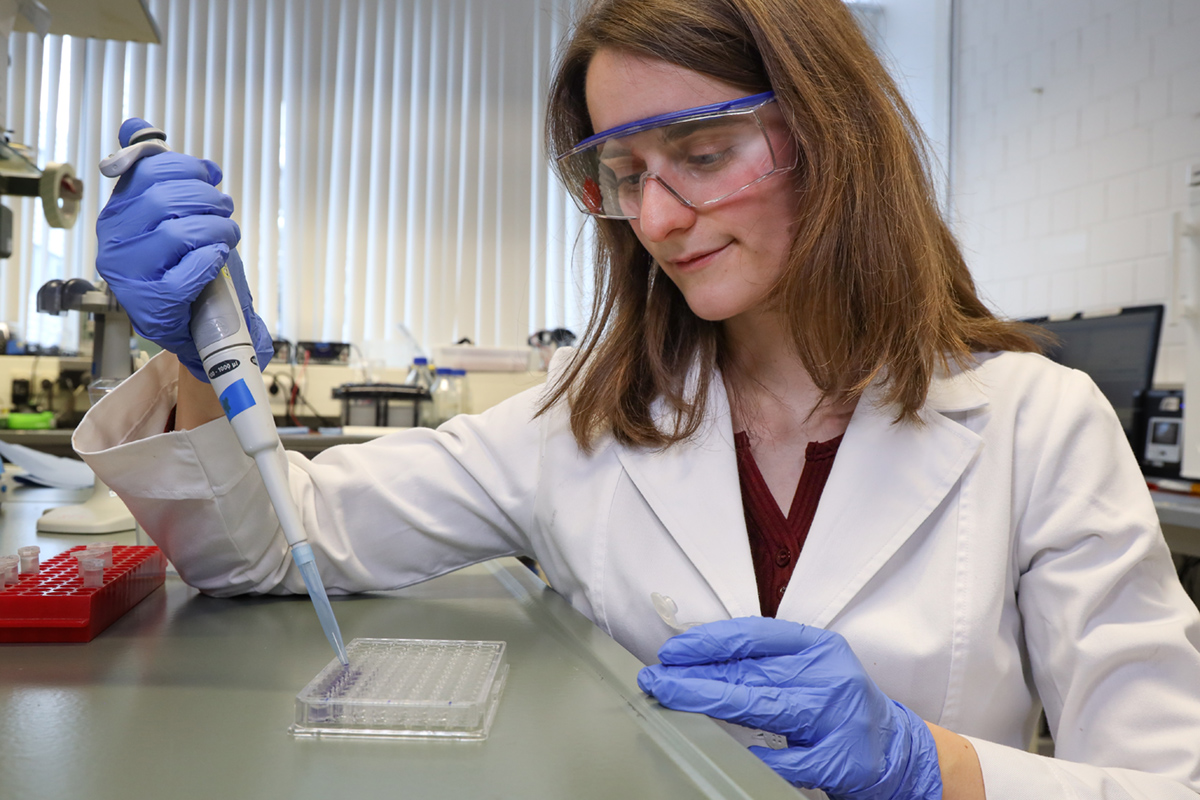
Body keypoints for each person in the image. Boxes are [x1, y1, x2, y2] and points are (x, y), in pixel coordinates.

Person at [77, 0, 1200, 797]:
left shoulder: (1036, 425)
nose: (657, 218)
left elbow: (1163, 777)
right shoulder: (581, 417)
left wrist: (928, 767)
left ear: (836, 139)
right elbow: (275, 549)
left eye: (704, 152)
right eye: (623, 173)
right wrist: (186, 354)